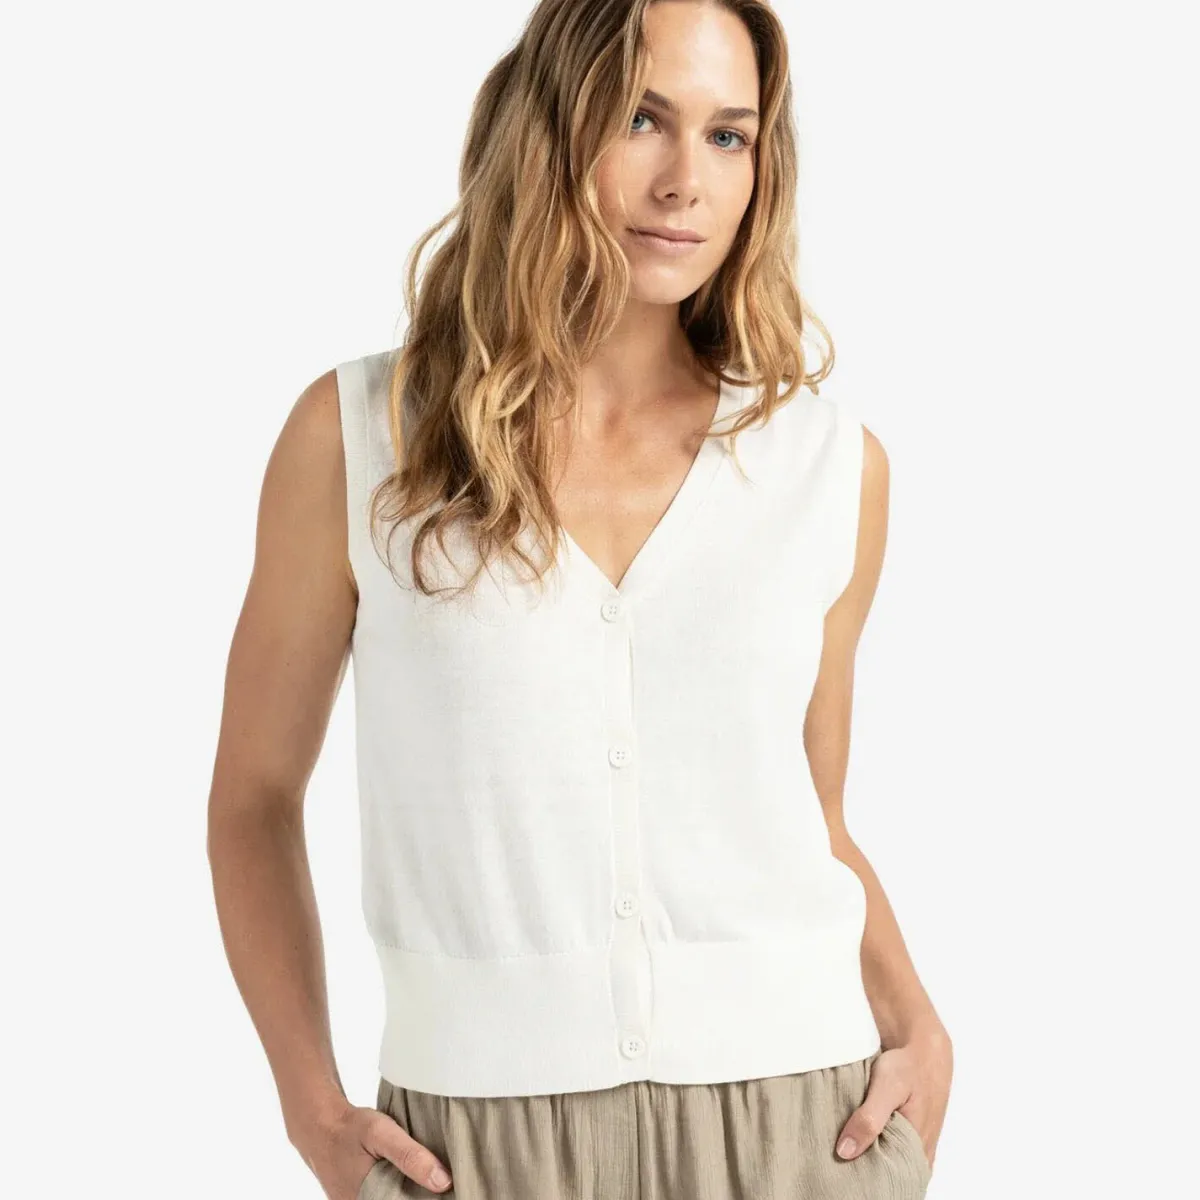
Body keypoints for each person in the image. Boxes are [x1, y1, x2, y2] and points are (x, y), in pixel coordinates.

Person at [207, 1, 953, 1196]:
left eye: (728, 135)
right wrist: (309, 1105)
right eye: (641, 119)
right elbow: (253, 798)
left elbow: (813, 810)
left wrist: (920, 1025)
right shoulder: (362, 439)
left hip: (801, 1127)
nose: (684, 180)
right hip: (475, 1146)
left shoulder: (826, 466)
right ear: (547, 125)